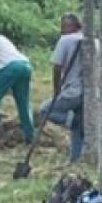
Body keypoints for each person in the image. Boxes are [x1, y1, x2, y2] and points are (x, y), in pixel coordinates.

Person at [35, 12, 86, 164]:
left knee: (45, 110)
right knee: (78, 128)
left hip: (72, 91)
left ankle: (72, 121)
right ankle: (75, 159)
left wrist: (57, 89)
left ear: (73, 26)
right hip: (89, 92)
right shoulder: (93, 41)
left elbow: (57, 67)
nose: (62, 30)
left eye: (64, 26)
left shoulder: (65, 40)